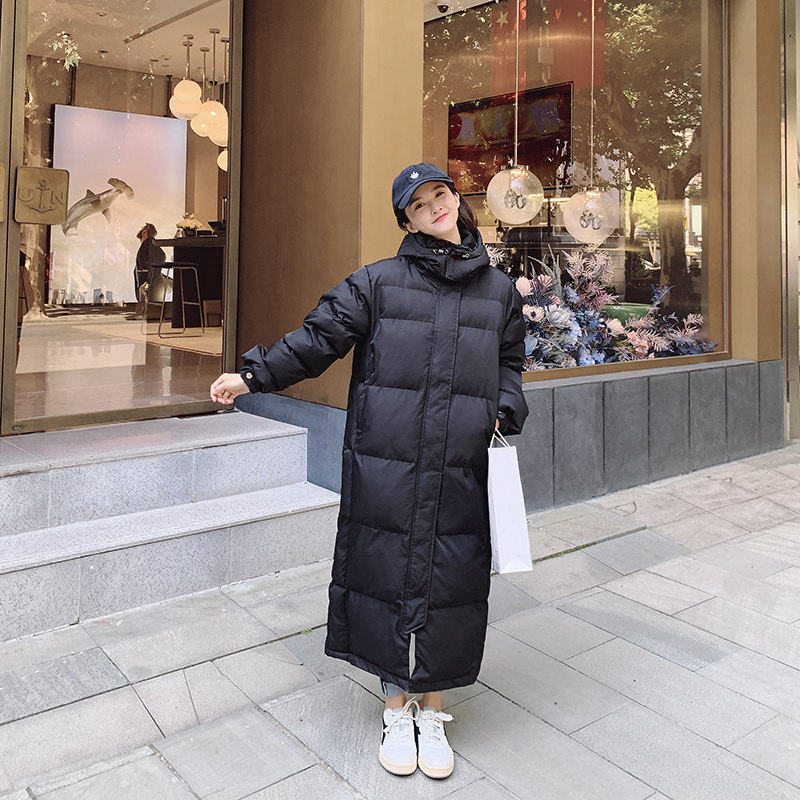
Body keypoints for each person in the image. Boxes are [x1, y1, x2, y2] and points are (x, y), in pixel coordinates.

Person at [210, 163, 528, 780]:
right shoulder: (378, 283)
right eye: (420, 204)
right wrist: (252, 375)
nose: (435, 206)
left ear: (456, 200)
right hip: (388, 461)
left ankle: (433, 710)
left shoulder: (499, 290)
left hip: (461, 462)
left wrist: (503, 409)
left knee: (450, 580)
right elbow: (317, 339)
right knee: (385, 574)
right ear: (407, 221)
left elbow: (509, 361)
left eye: (440, 194)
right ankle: (395, 707)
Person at [133, 223, 165, 316]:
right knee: (146, 295)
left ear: (145, 232)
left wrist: (147, 283)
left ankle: (146, 314)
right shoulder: (149, 244)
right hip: (147, 279)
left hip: (147, 279)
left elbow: (159, 259)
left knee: (146, 295)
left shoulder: (149, 244)